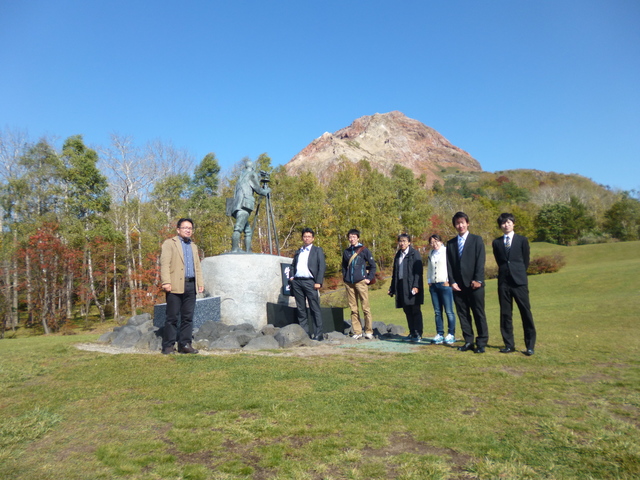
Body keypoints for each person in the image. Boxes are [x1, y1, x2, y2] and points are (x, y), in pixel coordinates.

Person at [492, 213, 537, 356]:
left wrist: (518, 273)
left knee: (525, 312)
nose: (506, 225)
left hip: (519, 282)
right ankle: (509, 345)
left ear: (513, 223)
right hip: (504, 282)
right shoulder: (496, 242)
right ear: (500, 226)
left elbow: (525, 260)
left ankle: (530, 346)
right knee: (505, 314)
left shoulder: (522, 240)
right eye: (503, 223)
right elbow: (500, 261)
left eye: (508, 222)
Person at [160, 218, 205, 354]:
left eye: (190, 228)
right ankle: (168, 346)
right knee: (172, 317)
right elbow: (165, 264)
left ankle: (185, 344)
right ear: (178, 229)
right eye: (185, 228)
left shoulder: (193, 246)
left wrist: (200, 283)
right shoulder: (170, 243)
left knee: (188, 317)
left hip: (191, 285)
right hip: (174, 285)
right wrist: (166, 282)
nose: (188, 230)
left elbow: (197, 266)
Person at [446, 212, 488, 353]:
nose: (460, 225)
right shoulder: (451, 243)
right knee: (463, 314)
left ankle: (481, 342)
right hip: (458, 286)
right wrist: (452, 282)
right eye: (457, 223)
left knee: (478, 313)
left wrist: (478, 279)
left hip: (474, 285)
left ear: (467, 223)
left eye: (462, 222)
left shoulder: (477, 240)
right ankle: (468, 341)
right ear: (455, 225)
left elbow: (480, 261)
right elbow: (449, 264)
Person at [288, 228, 326, 340]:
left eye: (309, 236)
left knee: (314, 307)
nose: (307, 238)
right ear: (302, 238)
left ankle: (318, 333)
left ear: (313, 238)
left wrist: (318, 282)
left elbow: (322, 266)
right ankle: (304, 333)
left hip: (310, 282)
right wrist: (292, 277)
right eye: (305, 236)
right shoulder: (299, 251)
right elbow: (293, 265)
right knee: (301, 309)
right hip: (297, 282)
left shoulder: (317, 250)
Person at [228, 158, 271, 253]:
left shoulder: (240, 177)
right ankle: (234, 249)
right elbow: (257, 189)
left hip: (237, 206)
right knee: (238, 228)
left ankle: (248, 251)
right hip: (244, 205)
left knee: (247, 231)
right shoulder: (251, 174)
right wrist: (266, 191)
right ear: (253, 167)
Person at [388, 233, 424, 342]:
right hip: (401, 285)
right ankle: (412, 332)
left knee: (415, 310)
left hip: (412, 286)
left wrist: (416, 285)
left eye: (404, 241)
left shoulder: (414, 254)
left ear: (409, 242)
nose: (402, 243)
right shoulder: (398, 255)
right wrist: (392, 288)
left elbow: (418, 272)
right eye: (400, 241)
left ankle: (418, 333)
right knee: (407, 310)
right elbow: (395, 273)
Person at [341, 229, 377, 340]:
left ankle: (368, 331)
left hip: (361, 282)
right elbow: (343, 266)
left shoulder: (364, 250)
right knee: (353, 308)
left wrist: (368, 278)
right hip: (349, 283)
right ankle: (357, 331)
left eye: (354, 237)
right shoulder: (346, 251)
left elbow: (373, 265)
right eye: (350, 237)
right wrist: (345, 277)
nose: (352, 239)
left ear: (358, 238)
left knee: (365, 307)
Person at [426, 234, 456, 345]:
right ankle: (439, 333)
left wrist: (449, 280)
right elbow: (429, 268)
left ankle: (451, 334)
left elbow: (452, 266)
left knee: (449, 311)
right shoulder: (431, 253)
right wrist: (429, 280)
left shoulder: (446, 251)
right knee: (437, 312)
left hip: (445, 284)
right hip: (434, 285)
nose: (434, 244)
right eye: (432, 242)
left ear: (441, 241)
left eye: (436, 241)